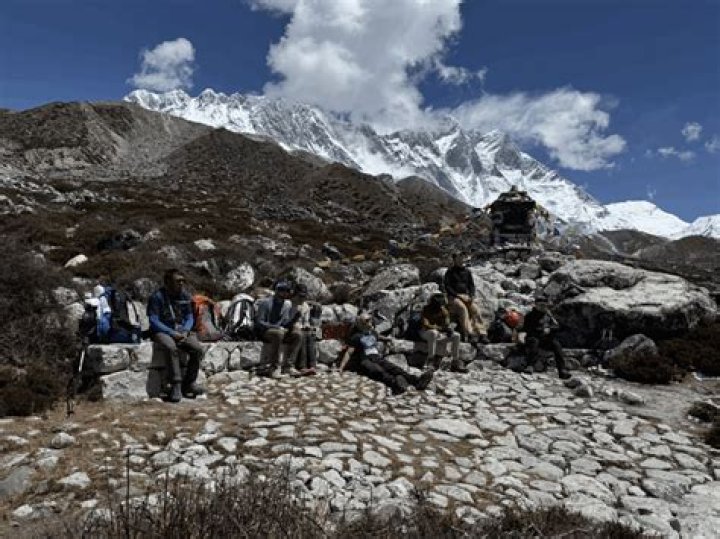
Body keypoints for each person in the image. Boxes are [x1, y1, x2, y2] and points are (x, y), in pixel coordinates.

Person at [147, 269, 206, 402]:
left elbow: (189, 316)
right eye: (178, 281)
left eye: (183, 281)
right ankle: (176, 385)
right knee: (171, 347)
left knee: (197, 349)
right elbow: (154, 320)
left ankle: (190, 383)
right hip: (163, 330)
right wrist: (171, 333)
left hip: (182, 330)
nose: (181, 283)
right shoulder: (157, 297)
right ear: (168, 282)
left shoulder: (185, 296)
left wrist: (185, 330)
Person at [339, 313, 434, 395]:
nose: (370, 322)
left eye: (370, 320)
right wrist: (341, 367)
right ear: (361, 323)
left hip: (377, 357)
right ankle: (395, 384)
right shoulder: (356, 337)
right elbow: (349, 352)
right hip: (365, 359)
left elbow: (378, 336)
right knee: (379, 371)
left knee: (394, 368)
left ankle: (416, 381)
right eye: (367, 321)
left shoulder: (372, 332)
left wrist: (387, 339)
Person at [254, 281, 302, 377]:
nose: (286, 294)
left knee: (297, 335)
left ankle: (289, 366)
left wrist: (295, 318)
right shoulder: (266, 303)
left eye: (287, 291)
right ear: (277, 291)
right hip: (266, 331)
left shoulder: (286, 305)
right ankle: (274, 367)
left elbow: (285, 323)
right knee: (278, 334)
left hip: (280, 331)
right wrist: (275, 327)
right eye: (284, 291)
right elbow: (260, 322)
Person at [522, 295, 570, 379]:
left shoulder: (548, 315)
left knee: (556, 345)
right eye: (541, 305)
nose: (543, 307)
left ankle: (562, 370)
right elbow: (526, 329)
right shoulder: (529, 315)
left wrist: (550, 329)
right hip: (533, 337)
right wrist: (541, 330)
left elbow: (557, 326)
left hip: (545, 339)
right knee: (534, 342)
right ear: (536, 305)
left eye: (544, 305)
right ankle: (530, 366)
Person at [443, 252, 487, 344]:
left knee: (476, 310)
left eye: (462, 258)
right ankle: (470, 334)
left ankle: (482, 334)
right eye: (459, 258)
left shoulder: (467, 272)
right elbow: (447, 287)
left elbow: (471, 285)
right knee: (462, 309)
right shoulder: (450, 272)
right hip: (453, 297)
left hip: (466, 296)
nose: (461, 260)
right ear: (454, 260)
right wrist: (457, 295)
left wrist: (471, 295)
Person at [418, 292, 465, 372]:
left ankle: (455, 362)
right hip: (425, 332)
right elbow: (426, 325)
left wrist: (449, 329)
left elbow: (446, 324)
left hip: (439, 333)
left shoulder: (443, 310)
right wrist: (441, 328)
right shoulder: (426, 310)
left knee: (457, 335)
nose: (440, 306)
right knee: (433, 332)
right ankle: (430, 360)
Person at [290, 283, 321, 376]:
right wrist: (297, 315)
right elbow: (288, 320)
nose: (302, 298)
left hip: (301, 327)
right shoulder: (290, 304)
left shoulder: (305, 306)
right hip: (291, 327)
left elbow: (306, 321)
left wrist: (307, 326)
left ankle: (312, 365)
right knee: (302, 336)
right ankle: (302, 366)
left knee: (310, 335)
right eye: (300, 296)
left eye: (304, 296)